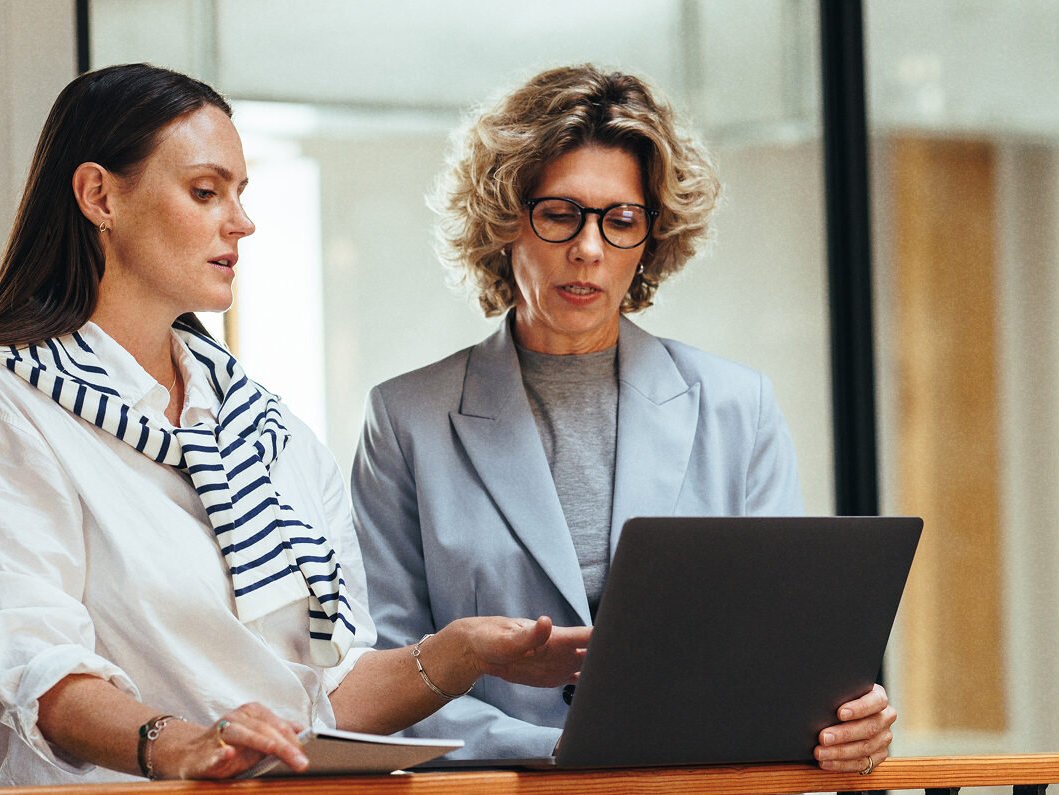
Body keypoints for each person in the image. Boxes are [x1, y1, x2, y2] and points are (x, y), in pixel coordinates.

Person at [0, 63, 588, 787]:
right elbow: (32, 661)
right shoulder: (0, 405)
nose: (242, 222)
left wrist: (461, 652)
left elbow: (328, 698)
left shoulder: (270, 431)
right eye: (205, 191)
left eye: (240, 193)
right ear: (100, 195)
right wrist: (179, 746)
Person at [352, 65, 896, 772]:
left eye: (620, 221)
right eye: (559, 214)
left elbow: (784, 649)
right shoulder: (405, 420)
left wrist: (848, 719)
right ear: (505, 220)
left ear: (650, 239)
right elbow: (389, 678)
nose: (589, 248)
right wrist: (561, 750)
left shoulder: (739, 408)